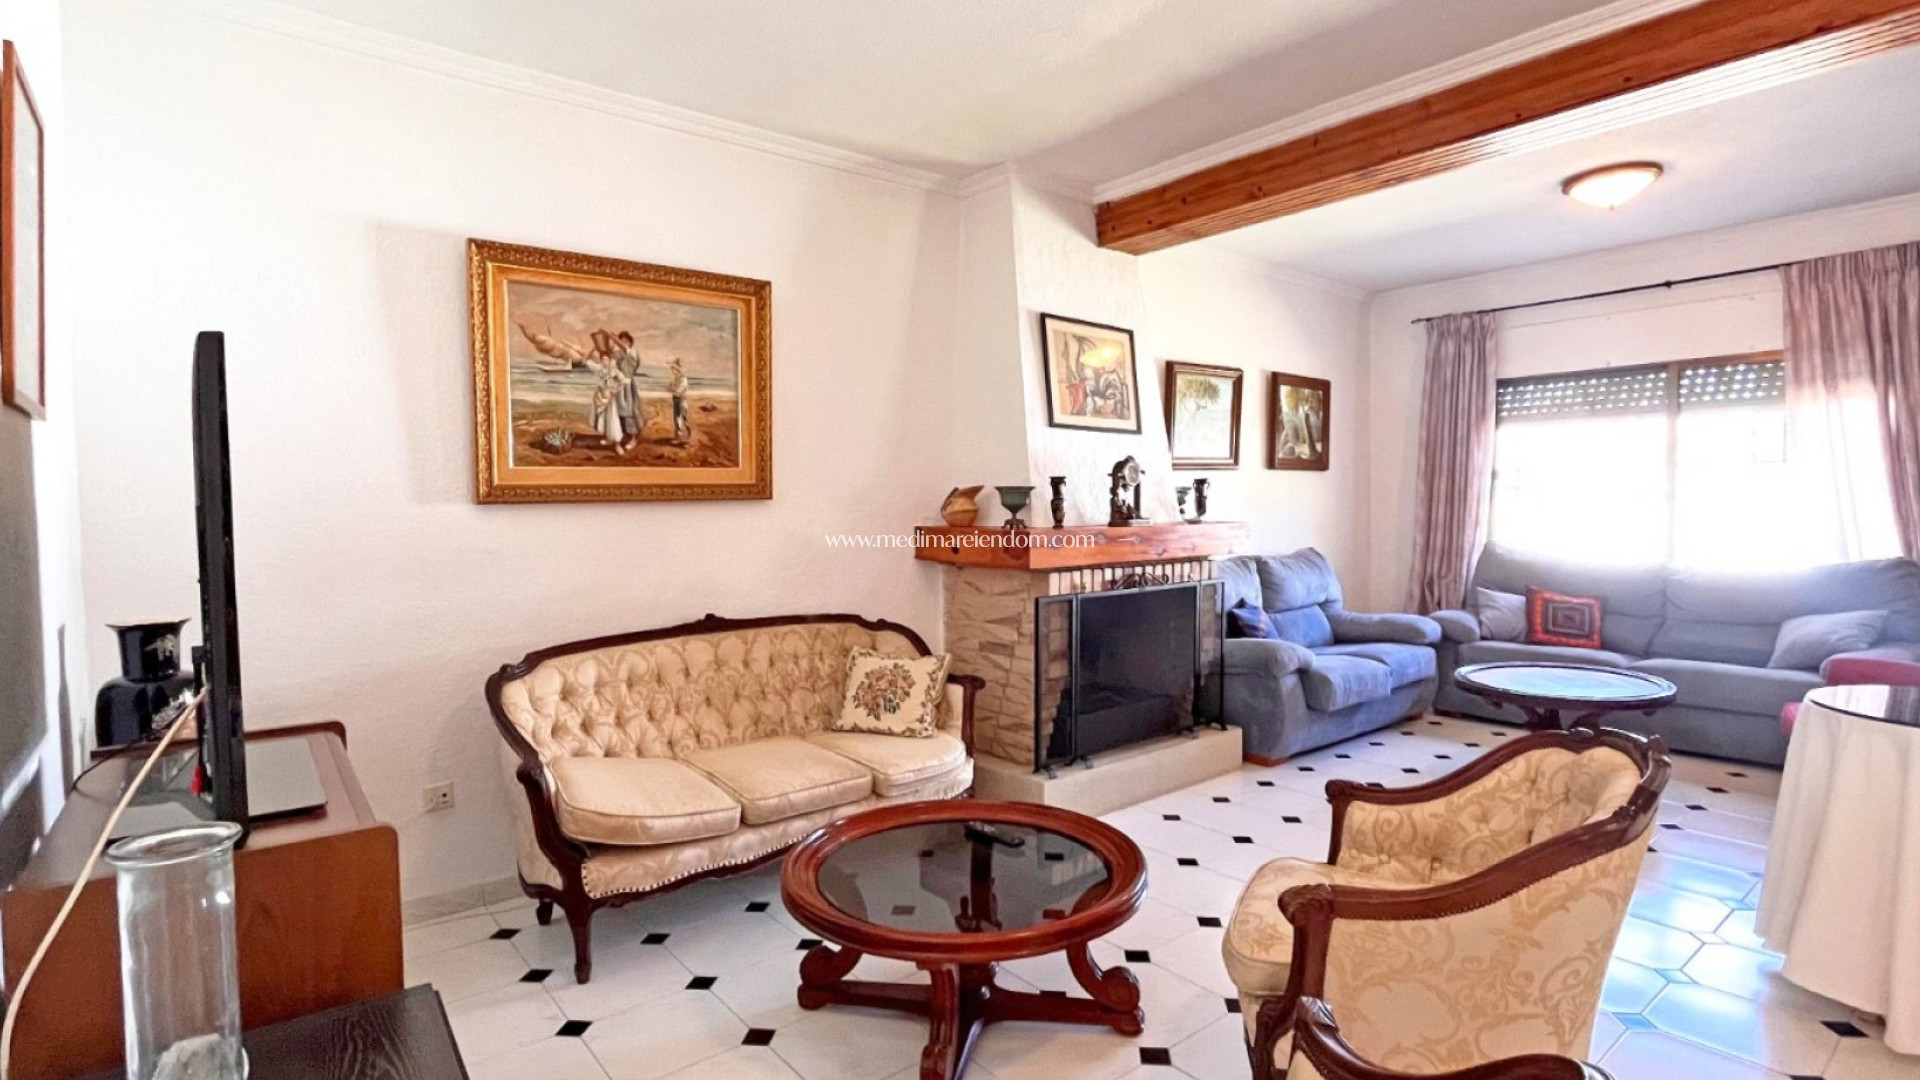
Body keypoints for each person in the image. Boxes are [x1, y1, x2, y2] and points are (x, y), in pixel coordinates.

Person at [669, 357, 692, 445]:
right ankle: (679, 437)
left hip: (681, 400)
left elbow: (678, 391)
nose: (673, 372)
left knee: (684, 418)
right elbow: (668, 388)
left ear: (679, 370)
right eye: (672, 370)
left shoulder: (683, 379)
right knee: (677, 418)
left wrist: (673, 389)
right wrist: (673, 389)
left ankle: (688, 436)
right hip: (676, 399)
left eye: (674, 370)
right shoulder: (675, 379)